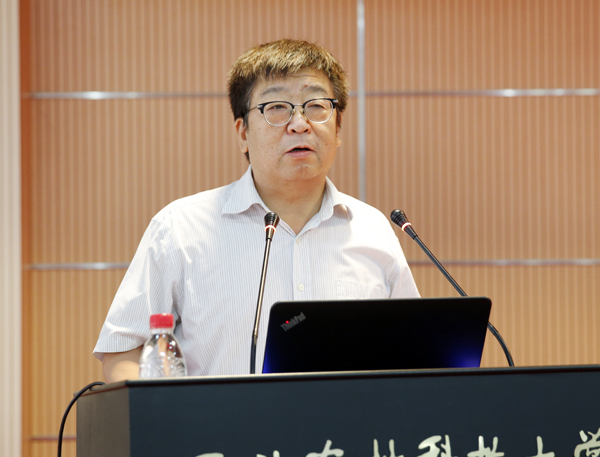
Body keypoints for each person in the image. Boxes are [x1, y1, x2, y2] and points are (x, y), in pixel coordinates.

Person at [94, 39, 419, 381]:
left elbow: (414, 353)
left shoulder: (372, 229)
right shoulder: (180, 228)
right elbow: (124, 353)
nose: (299, 123)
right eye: (276, 107)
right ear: (243, 133)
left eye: (316, 105)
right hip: (219, 419)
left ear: (337, 128)